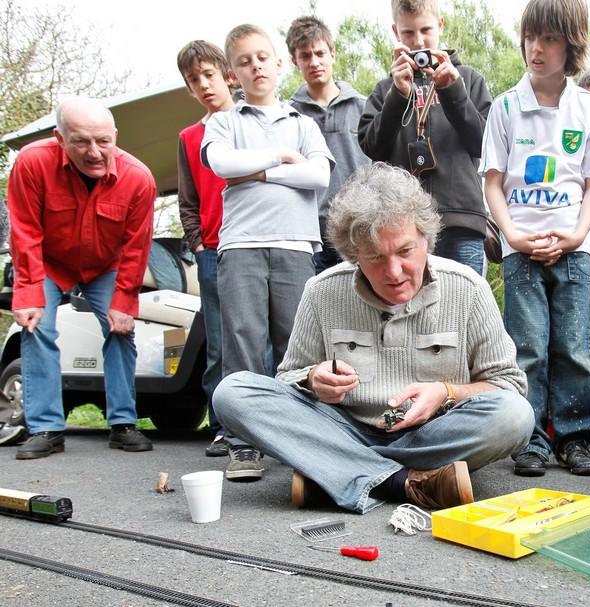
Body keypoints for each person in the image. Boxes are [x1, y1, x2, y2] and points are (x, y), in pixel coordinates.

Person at [213, 162, 534, 512]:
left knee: (515, 416)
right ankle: (403, 481)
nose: (394, 272)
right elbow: (287, 379)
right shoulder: (322, 291)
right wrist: (312, 379)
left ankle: (334, 471)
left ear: (426, 239)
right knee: (232, 393)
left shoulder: (468, 288)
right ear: (354, 256)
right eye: (375, 257)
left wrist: (448, 392)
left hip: (431, 434)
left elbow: (507, 385)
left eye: (405, 252)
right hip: (343, 428)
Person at [479, 0, 590, 478]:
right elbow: (493, 182)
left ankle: (576, 438)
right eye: (531, 37)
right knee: (528, 347)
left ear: (571, 46)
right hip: (521, 251)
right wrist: (513, 235)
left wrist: (579, 232)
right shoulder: (504, 107)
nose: (537, 49)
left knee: (573, 347)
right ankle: (531, 439)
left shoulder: (586, 108)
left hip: (574, 250)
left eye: (550, 39)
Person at [202, 23, 334, 482]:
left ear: (279, 64)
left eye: (262, 57)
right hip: (241, 246)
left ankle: (298, 442)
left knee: (295, 349)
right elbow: (222, 164)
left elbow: (319, 178)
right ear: (233, 73)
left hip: (296, 245)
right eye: (243, 61)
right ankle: (243, 443)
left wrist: (256, 173)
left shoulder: (304, 123)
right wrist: (281, 158)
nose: (255, 66)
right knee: (242, 343)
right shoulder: (223, 122)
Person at [7, 96, 157, 459]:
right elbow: (24, 230)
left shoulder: (138, 179)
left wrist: (124, 302)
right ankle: (46, 428)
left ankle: (123, 423)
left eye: (103, 141)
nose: (94, 152)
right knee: (37, 328)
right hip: (49, 262)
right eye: (81, 142)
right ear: (60, 138)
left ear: (115, 137)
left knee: (121, 329)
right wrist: (27, 292)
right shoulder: (31, 163)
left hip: (106, 265)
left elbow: (136, 248)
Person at [358, 0, 491, 276]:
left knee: (463, 309)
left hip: (460, 222)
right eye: (408, 33)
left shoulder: (469, 79)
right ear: (396, 32)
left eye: (426, 30)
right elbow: (373, 147)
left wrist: (454, 91)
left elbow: (485, 144)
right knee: (409, 312)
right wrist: (398, 95)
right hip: (401, 227)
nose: (418, 41)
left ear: (440, 25)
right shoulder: (386, 89)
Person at [176, 40, 235, 458]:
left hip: (252, 244)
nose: (204, 85)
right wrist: (198, 244)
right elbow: (187, 201)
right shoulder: (189, 137)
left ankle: (267, 424)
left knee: (266, 340)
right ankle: (220, 424)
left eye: (208, 74)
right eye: (194, 80)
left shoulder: (251, 123)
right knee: (218, 342)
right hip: (212, 250)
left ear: (227, 74)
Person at [285, 15, 370, 274]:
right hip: (311, 234)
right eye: (305, 56)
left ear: (332, 54)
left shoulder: (364, 107)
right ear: (294, 61)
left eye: (320, 53)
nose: (314, 62)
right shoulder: (288, 116)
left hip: (362, 226)